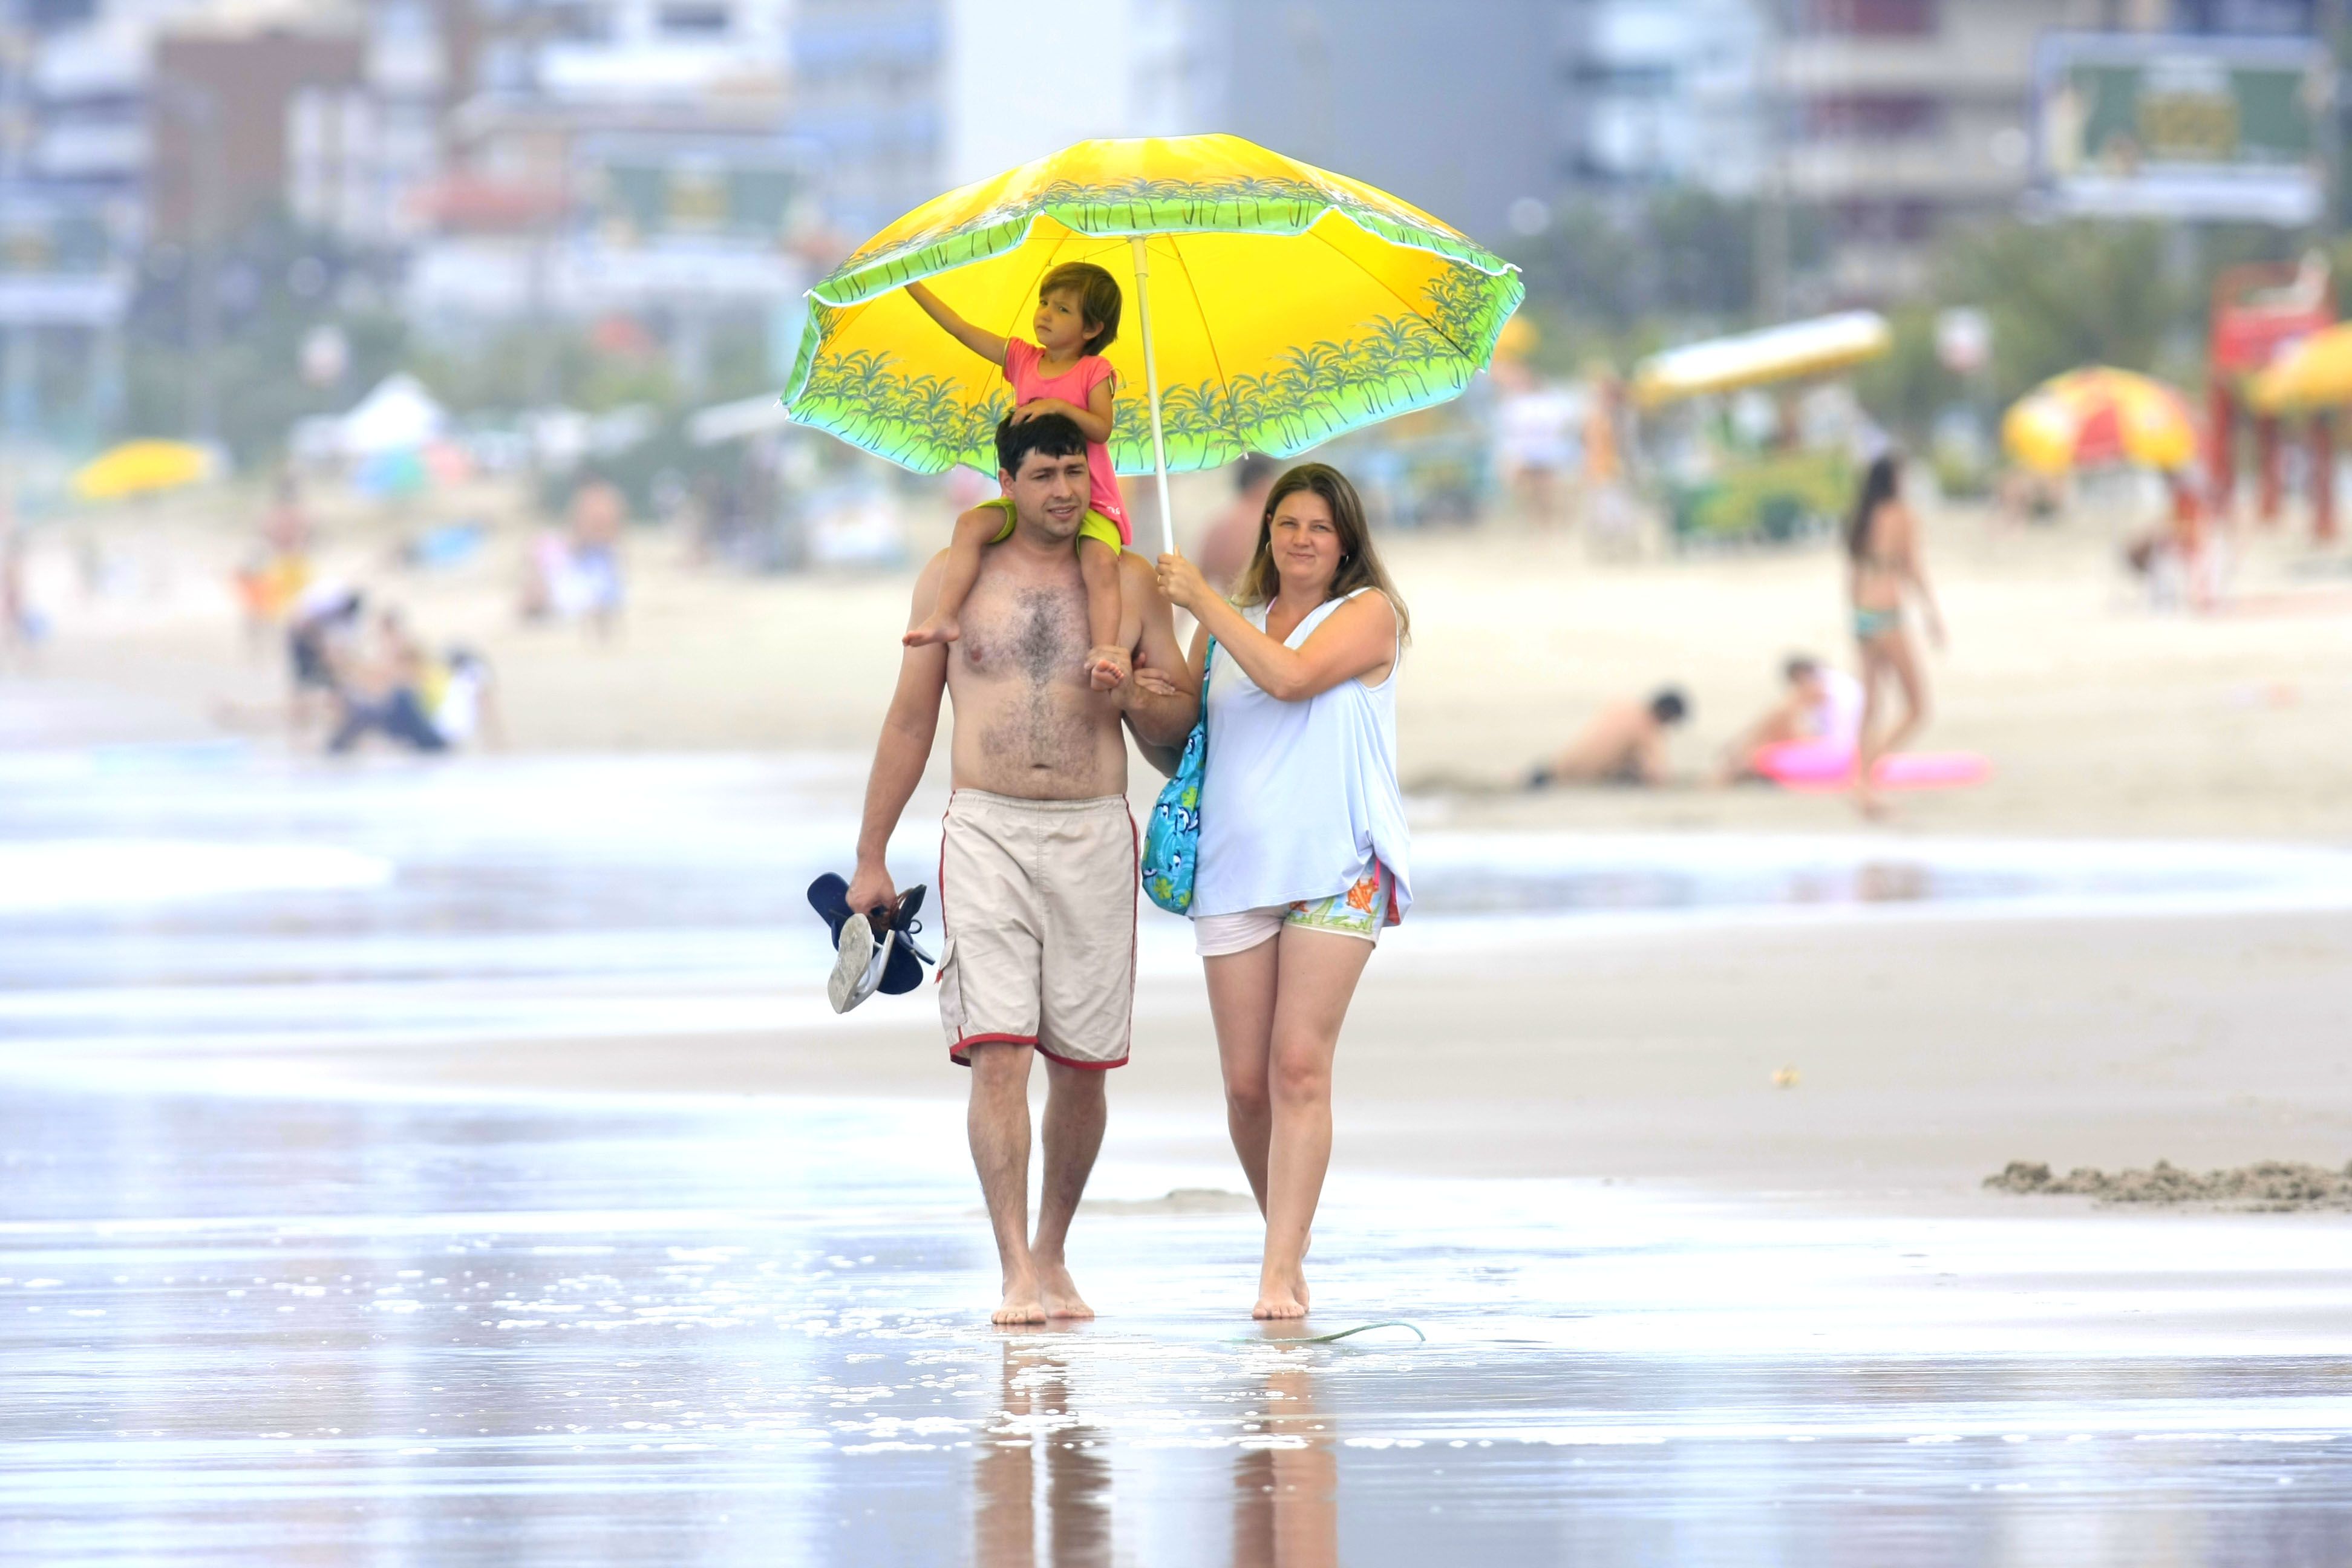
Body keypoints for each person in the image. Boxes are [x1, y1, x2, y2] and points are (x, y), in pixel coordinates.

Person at [844, 411, 1196, 1325]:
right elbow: (911, 721)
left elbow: (1177, 738)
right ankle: (1012, 1271)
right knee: (996, 1051)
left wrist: (1146, 694)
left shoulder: (1125, 582)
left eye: (1076, 473)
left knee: (1082, 1066)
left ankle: (1053, 1254)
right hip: (987, 828)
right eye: (1043, 475)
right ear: (1007, 482)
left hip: (1092, 831)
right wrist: (871, 854)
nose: (1064, 492)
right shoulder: (956, 581)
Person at [1148, 463, 1410, 1321]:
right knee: (1246, 1088)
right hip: (1233, 868)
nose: (1301, 539)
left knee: (1298, 1065)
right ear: (1268, 535)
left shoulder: (1369, 616)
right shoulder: (1227, 628)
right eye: (1287, 523)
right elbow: (1183, 741)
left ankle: (1275, 1270)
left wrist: (1203, 600)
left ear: (1346, 545)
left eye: (1319, 528)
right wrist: (1134, 692)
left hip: (1337, 865)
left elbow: (1292, 678)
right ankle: (1286, 1248)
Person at [901, 264, 1134, 688]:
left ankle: (1104, 650)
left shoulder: (1094, 371)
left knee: (1101, 562)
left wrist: (1056, 407)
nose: (1045, 313)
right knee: (970, 524)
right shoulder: (1022, 358)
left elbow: (1101, 428)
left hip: (1091, 497)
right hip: (1027, 499)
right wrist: (912, 285)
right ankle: (945, 616)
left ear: (1092, 328)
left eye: (1062, 309)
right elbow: (959, 329)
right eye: (1044, 303)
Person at [1846, 452, 1945, 817]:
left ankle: (1864, 788)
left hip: (1861, 615)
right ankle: (1863, 779)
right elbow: (1913, 567)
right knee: (1917, 708)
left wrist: (1854, 621)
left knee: (1870, 707)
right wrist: (1933, 614)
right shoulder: (1902, 516)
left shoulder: (1862, 517)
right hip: (1888, 614)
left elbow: (1853, 575)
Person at [1714, 655, 1864, 783]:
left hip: (1841, 754)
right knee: (1779, 722)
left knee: (1778, 722)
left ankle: (1736, 763)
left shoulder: (1824, 688)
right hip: (1845, 749)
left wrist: (1741, 743)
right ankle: (1738, 760)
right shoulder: (1835, 685)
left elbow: (1778, 716)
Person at [1527, 688, 1690, 788]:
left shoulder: (1621, 706)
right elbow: (1657, 778)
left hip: (1547, 771)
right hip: (1569, 783)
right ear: (1667, 714)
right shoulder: (1648, 729)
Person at [1195, 453, 1278, 595]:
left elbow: (1198, 583)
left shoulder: (1220, 526)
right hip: (1269, 609)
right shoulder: (1275, 523)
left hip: (1231, 609)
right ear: (1265, 482)